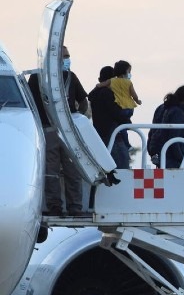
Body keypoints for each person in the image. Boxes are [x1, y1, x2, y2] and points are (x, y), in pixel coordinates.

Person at [28, 45, 89, 216]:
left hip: (62, 132)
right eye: (64, 56)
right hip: (52, 130)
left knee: (68, 171)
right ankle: (59, 206)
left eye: (68, 56)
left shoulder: (66, 77)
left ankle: (72, 207)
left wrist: (76, 119)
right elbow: (83, 102)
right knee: (53, 171)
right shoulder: (37, 78)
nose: (67, 60)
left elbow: (83, 101)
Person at [88, 66, 130, 169]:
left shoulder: (96, 94)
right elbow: (119, 113)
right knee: (121, 169)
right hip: (113, 135)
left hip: (101, 135)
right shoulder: (107, 94)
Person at [96, 60, 141, 150]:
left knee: (120, 126)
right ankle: (128, 123)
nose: (130, 74)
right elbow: (134, 95)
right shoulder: (128, 83)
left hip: (121, 107)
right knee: (123, 124)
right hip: (130, 108)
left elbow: (100, 85)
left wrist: (98, 85)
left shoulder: (111, 81)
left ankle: (127, 144)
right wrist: (137, 101)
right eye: (129, 72)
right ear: (125, 72)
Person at [147, 85, 184, 168]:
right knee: (178, 179)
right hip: (171, 157)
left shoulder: (161, 108)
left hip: (158, 153)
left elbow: (152, 131)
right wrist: (182, 158)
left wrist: (151, 151)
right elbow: (174, 138)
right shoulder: (178, 112)